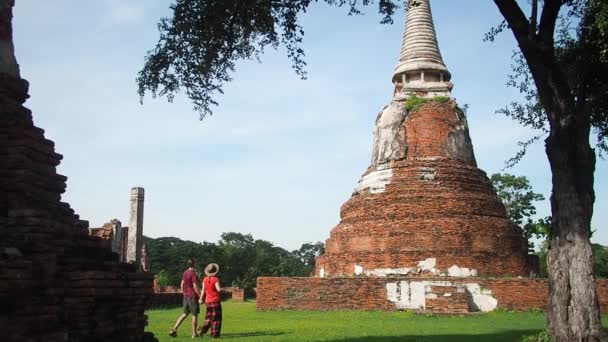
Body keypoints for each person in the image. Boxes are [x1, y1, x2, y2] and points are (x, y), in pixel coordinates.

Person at [169, 259, 200, 338]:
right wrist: (200, 295)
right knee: (194, 315)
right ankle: (194, 333)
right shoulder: (193, 274)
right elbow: (195, 286)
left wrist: (184, 293)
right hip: (193, 296)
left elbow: (181, 284)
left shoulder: (185, 272)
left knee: (185, 314)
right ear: (194, 264)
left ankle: (174, 329)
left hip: (186, 296)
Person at [198, 263, 222, 338]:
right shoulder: (215, 279)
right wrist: (222, 289)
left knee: (208, 318)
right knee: (216, 318)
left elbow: (203, 291)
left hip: (208, 302)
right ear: (215, 271)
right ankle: (215, 334)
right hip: (215, 301)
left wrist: (201, 299)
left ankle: (202, 329)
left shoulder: (205, 279)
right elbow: (218, 289)